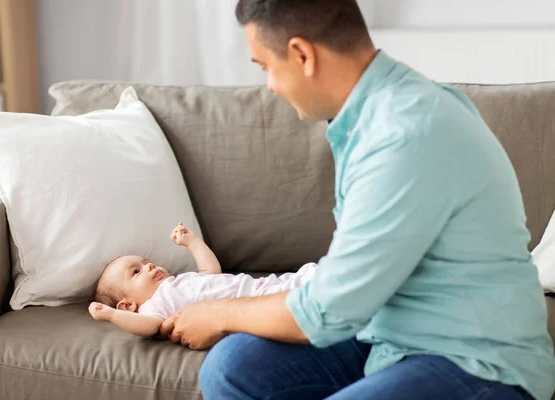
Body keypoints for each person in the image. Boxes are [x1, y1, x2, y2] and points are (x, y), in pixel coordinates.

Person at [159, 1, 555, 399]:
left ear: (302, 55)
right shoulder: (369, 116)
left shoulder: (404, 134)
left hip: (477, 361)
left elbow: (327, 310)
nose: (270, 86)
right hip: (389, 335)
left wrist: (219, 312)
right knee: (232, 369)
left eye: (265, 67)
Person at [88, 222, 317, 337]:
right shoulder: (155, 306)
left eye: (145, 261)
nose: (148, 265)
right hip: (257, 301)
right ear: (128, 305)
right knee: (311, 293)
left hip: (267, 285)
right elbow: (149, 327)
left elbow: (210, 272)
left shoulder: (179, 281)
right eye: (136, 272)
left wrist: (192, 242)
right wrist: (113, 315)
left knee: (312, 275)